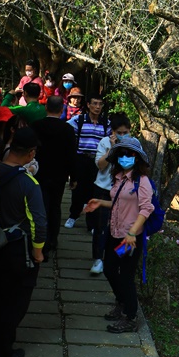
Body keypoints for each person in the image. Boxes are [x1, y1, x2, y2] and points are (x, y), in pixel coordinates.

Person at [0, 127, 46, 357]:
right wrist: (38, 252)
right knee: (15, 302)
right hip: (17, 250)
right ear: (31, 153)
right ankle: (2, 352)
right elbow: (39, 221)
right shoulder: (28, 183)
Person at [85, 136, 153, 333]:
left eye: (129, 154)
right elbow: (119, 202)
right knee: (109, 269)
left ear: (137, 158)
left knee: (125, 276)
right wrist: (100, 202)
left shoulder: (143, 181)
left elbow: (145, 209)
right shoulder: (118, 177)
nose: (124, 157)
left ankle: (130, 317)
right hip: (116, 233)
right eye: (121, 154)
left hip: (129, 239)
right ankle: (121, 302)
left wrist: (132, 233)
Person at [33, 96, 78, 258]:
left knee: (41, 207)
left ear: (46, 108)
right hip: (59, 174)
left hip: (39, 173)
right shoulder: (67, 129)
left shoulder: (36, 126)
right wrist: (73, 177)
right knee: (55, 207)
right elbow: (72, 154)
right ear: (61, 110)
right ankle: (53, 239)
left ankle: (41, 241)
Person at [64, 95, 111, 251]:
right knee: (78, 188)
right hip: (81, 158)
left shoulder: (107, 123)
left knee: (94, 191)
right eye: (95, 103)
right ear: (88, 105)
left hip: (97, 161)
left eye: (100, 104)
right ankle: (73, 215)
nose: (97, 107)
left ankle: (91, 223)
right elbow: (67, 128)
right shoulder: (79, 120)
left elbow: (113, 137)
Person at [88, 113, 132, 274]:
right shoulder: (104, 143)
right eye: (118, 133)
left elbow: (130, 168)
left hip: (124, 192)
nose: (121, 136)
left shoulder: (134, 145)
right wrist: (112, 150)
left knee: (121, 226)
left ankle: (115, 259)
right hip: (103, 189)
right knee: (100, 226)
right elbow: (100, 166)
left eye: (124, 132)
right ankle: (98, 259)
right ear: (112, 132)